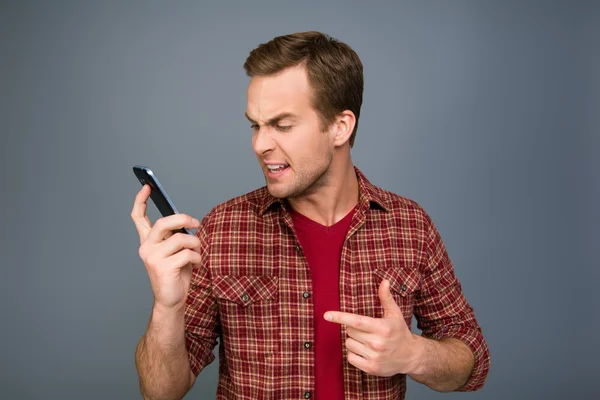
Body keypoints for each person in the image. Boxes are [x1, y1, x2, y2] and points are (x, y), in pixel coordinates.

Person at [131, 31, 490, 400]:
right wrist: (167, 307)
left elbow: (472, 363)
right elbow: (160, 392)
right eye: (256, 125)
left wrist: (414, 354)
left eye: (282, 125)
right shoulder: (223, 229)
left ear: (340, 127)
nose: (259, 144)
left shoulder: (409, 226)